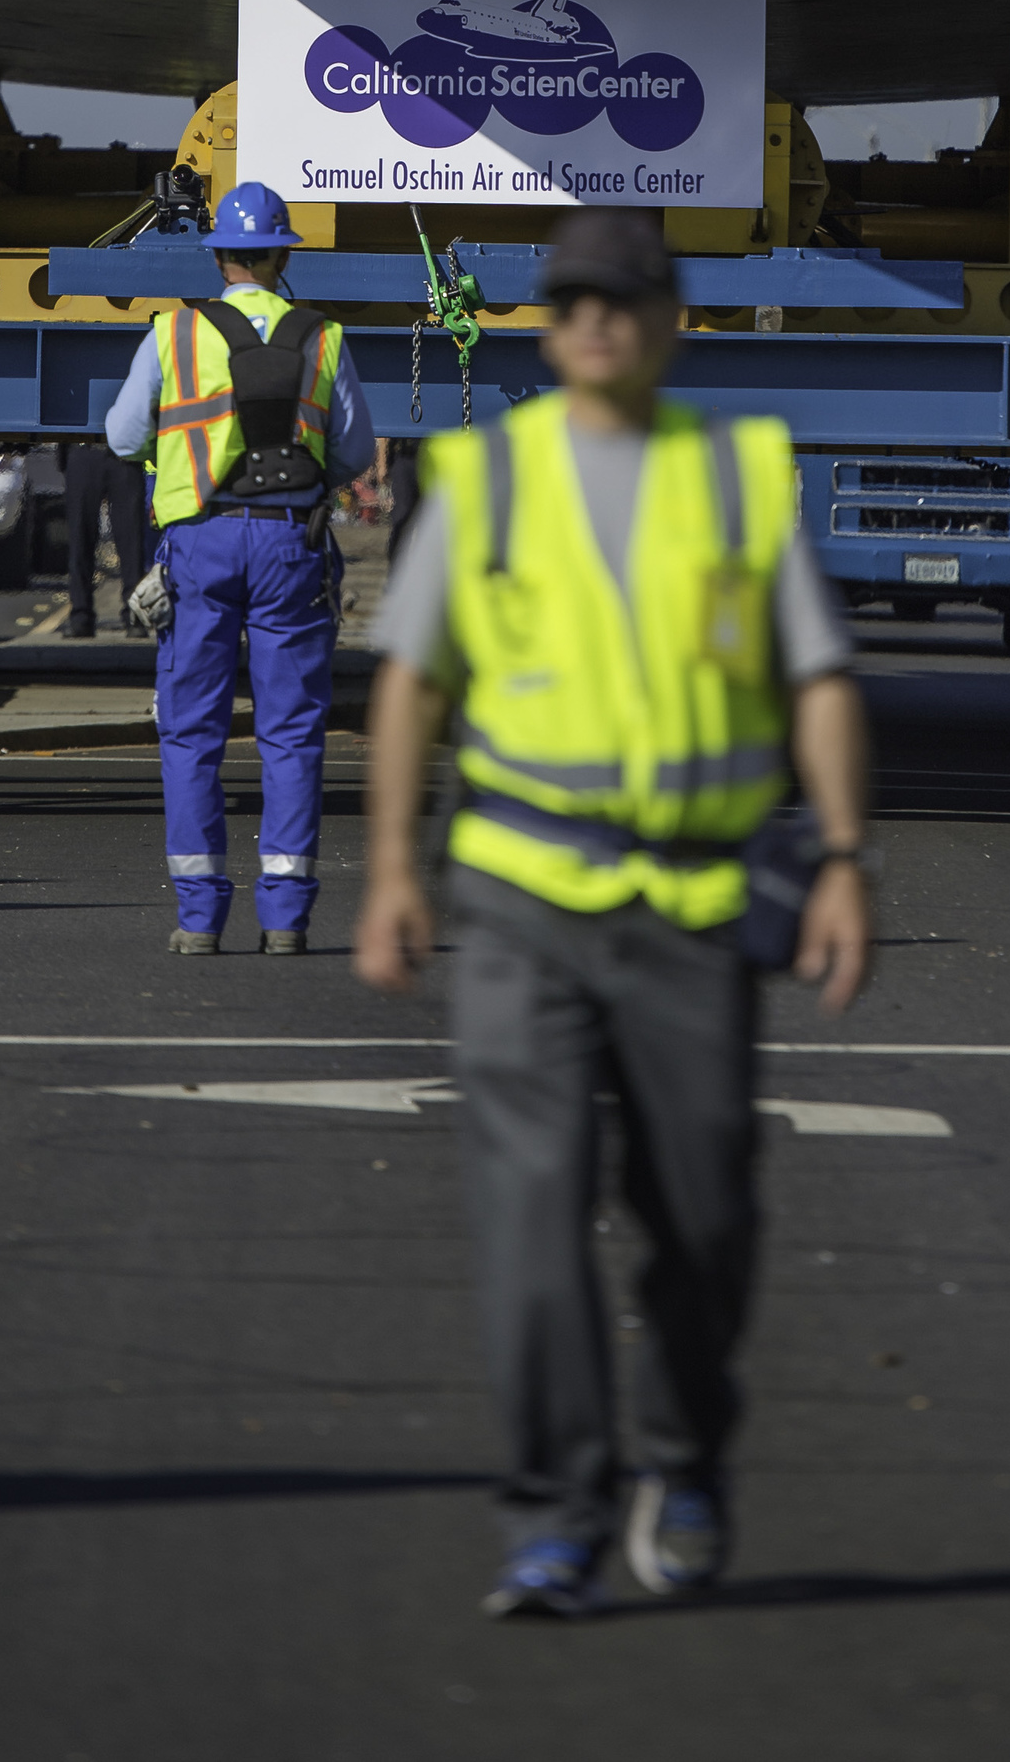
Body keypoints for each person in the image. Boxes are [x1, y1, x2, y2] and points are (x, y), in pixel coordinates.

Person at [357, 210, 873, 1620]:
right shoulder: (490, 480)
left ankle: (684, 1455)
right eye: (573, 299)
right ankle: (557, 1512)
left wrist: (838, 856)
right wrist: (395, 868)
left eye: (625, 300)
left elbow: (817, 676)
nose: (597, 321)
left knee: (703, 1219)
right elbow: (411, 677)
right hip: (522, 897)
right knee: (531, 1218)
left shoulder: (737, 479)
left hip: (695, 907)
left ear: (672, 322)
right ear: (544, 321)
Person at [103, 179, 375, 955]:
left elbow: (123, 436)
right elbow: (354, 454)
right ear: (283, 254)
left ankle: (199, 918)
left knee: (191, 731)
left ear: (219, 254)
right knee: (292, 730)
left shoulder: (174, 335)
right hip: (291, 542)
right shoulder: (323, 336)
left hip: (203, 543)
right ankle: (286, 915)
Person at [56, 435, 145, 638]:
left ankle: (134, 616)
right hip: (83, 448)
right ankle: (80, 616)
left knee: (132, 543)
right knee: (80, 540)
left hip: (125, 451)